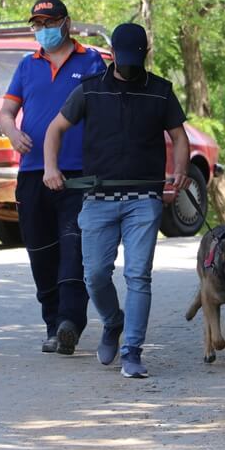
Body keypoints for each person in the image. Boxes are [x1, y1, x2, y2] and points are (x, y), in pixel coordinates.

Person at [43, 23, 190, 378]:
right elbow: (55, 129)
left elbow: (180, 137)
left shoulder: (160, 92)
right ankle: (113, 321)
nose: (129, 67)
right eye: (123, 61)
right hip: (98, 197)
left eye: (134, 61)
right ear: (114, 58)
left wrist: (181, 170)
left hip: (144, 198)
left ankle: (132, 350)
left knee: (139, 275)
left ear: (145, 55)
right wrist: (51, 167)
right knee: (94, 275)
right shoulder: (90, 91)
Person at [0, 0, 106, 355]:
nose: (43, 30)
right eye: (37, 24)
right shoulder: (27, 66)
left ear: (67, 22)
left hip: (79, 173)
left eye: (49, 22)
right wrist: (12, 132)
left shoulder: (91, 61)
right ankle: (52, 323)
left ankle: (70, 322)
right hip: (32, 173)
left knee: (75, 247)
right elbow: (6, 111)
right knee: (41, 251)